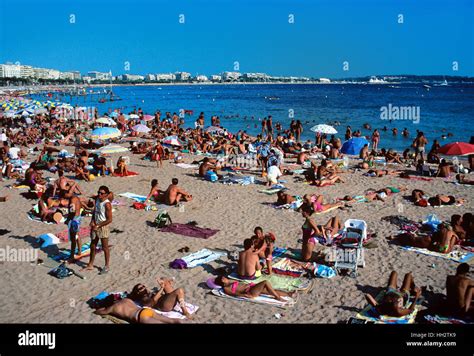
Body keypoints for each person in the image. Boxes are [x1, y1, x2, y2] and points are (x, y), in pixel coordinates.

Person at [94, 285, 179, 324]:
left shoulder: (113, 307)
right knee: (172, 321)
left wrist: (99, 310)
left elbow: (100, 312)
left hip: (140, 317)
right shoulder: (126, 299)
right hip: (145, 311)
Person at [84, 186, 113, 274]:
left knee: (105, 247)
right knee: (92, 245)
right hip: (95, 224)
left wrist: (99, 225)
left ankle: (106, 265)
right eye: (98, 192)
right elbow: (95, 211)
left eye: (102, 193)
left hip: (103, 226)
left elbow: (109, 219)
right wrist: (92, 221)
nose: (99, 194)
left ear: (106, 195)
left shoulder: (107, 204)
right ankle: (90, 264)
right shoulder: (97, 200)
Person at [214, 276, 293, 302]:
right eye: (223, 278)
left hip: (252, 287)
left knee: (270, 291)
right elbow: (234, 294)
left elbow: (240, 283)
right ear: (222, 280)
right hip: (249, 292)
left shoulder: (230, 281)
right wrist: (244, 295)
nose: (225, 277)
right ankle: (278, 297)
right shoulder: (226, 288)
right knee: (265, 282)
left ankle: (288, 294)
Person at [66, 195, 83, 264]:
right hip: (78, 217)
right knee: (77, 235)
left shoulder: (72, 199)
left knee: (73, 238)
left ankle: (72, 255)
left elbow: (72, 210)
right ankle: (79, 251)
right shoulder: (76, 198)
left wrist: (68, 218)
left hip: (74, 219)